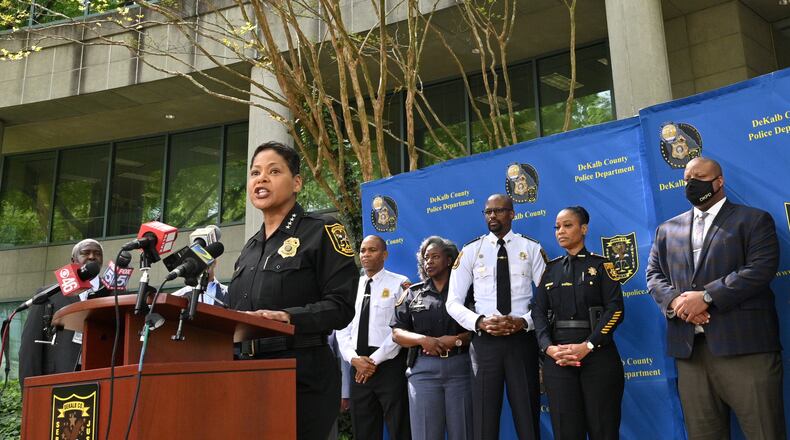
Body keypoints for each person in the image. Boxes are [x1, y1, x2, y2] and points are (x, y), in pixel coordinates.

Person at [646, 157, 786, 439]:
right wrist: (677, 302)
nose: (691, 183)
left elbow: (760, 269)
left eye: (699, 177)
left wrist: (708, 296)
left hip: (746, 349)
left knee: (764, 432)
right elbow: (653, 275)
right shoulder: (667, 230)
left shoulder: (754, 220)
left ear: (719, 181)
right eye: (687, 179)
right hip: (691, 354)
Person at [227, 141, 358, 440]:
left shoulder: (322, 230)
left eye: (274, 171)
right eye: (255, 173)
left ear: (297, 183)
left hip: (301, 375)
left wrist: (288, 317)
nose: (261, 179)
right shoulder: (249, 249)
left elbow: (341, 306)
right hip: (244, 374)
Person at [447, 194, 547, 440]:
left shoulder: (531, 248)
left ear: (512, 214)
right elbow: (452, 302)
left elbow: (548, 298)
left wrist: (524, 322)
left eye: (499, 210)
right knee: (484, 420)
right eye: (488, 212)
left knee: (527, 417)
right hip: (485, 344)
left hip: (521, 341)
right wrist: (479, 322)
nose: (492, 215)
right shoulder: (471, 250)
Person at [532, 206, 625, 440]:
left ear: (583, 229)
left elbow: (615, 310)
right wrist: (548, 348)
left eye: (567, 225)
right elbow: (538, 312)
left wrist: (589, 345)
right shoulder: (550, 270)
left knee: (603, 430)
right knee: (566, 432)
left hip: (598, 356)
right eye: (557, 227)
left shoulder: (602, 266)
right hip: (559, 359)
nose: (560, 231)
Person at [392, 236, 474, 440]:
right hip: (423, 371)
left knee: (463, 432)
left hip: (460, 369)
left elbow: (478, 329)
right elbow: (397, 333)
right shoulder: (413, 294)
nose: (428, 261)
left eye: (435, 257)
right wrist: (422, 340)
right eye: (426, 258)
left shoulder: (466, 292)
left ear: (449, 260)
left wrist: (456, 340)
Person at [336, 235, 411, 440]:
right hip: (358, 365)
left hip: (388, 365)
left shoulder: (399, 283)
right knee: (364, 429)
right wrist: (354, 359)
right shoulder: (351, 287)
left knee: (399, 427)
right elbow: (342, 328)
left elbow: (400, 328)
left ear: (384, 254)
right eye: (362, 250)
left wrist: (372, 361)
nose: (366, 255)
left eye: (372, 250)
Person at [19, 239, 104, 388]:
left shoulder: (113, 294)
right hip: (58, 380)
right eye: (86, 253)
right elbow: (30, 347)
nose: (92, 257)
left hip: (101, 380)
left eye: (97, 254)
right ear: (73, 260)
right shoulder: (49, 295)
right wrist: (30, 390)